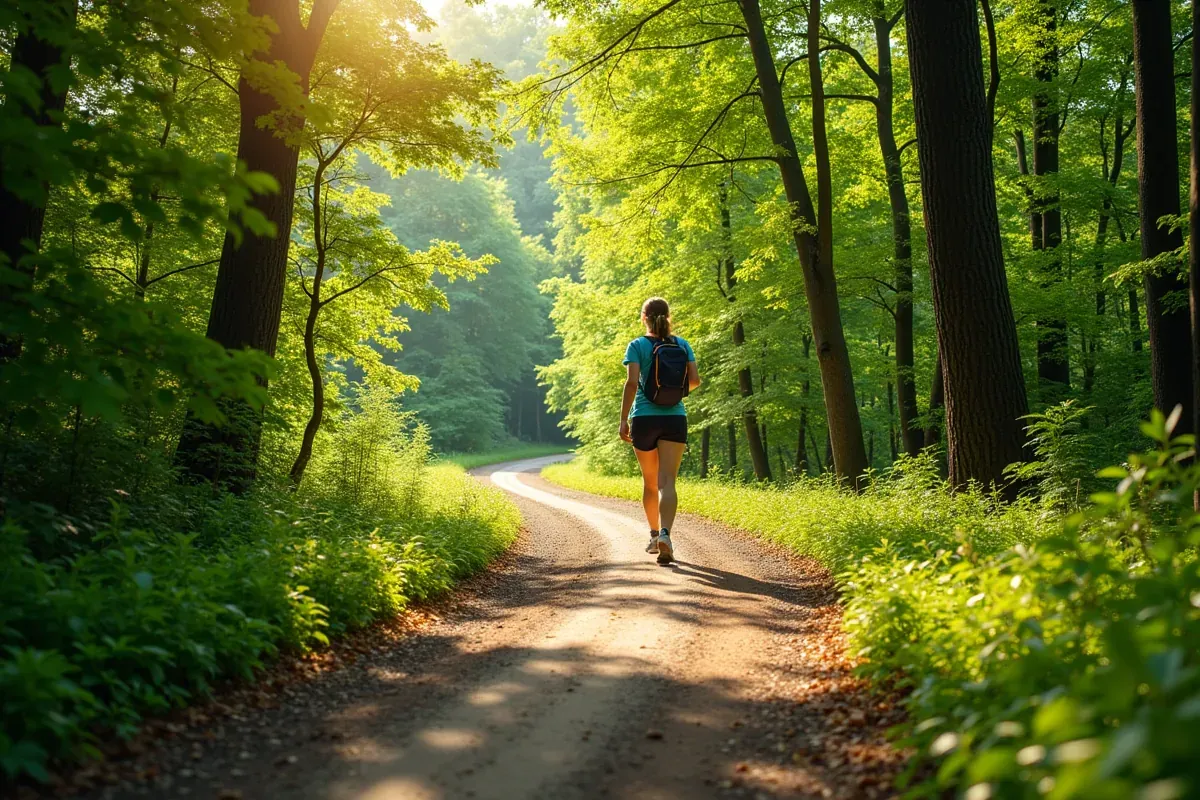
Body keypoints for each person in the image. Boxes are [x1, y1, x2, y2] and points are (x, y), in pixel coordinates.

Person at [619, 297, 701, 564]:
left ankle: (654, 536)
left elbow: (632, 383)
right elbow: (695, 381)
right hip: (675, 418)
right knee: (668, 482)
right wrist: (672, 395)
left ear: (644, 317)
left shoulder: (637, 345)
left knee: (650, 482)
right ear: (668, 316)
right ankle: (666, 534)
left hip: (643, 418)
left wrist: (623, 420)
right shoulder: (682, 344)